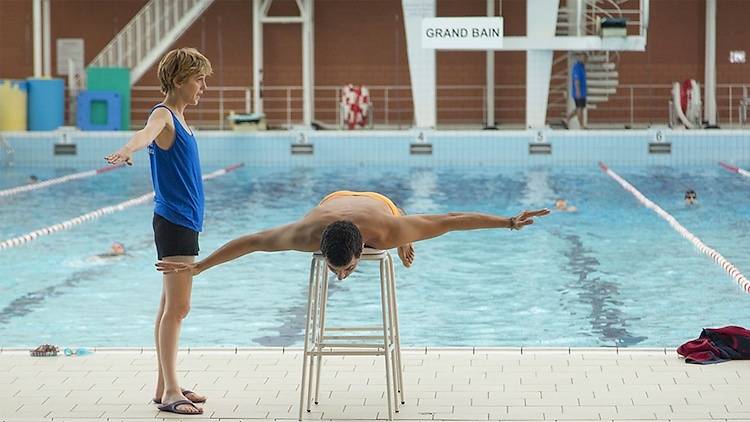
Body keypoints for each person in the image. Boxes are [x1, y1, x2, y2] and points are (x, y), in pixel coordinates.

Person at [105, 47, 212, 416]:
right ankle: (169, 391)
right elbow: (145, 133)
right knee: (179, 307)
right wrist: (126, 149)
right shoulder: (164, 116)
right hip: (175, 221)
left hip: (183, 221)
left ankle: (163, 383)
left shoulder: (180, 118)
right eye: (199, 79)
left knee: (169, 305)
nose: (203, 87)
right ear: (180, 80)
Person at [155, 190, 550, 282]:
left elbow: (450, 219)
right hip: (334, 201)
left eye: (345, 269)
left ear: (361, 249)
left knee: (406, 231)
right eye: (336, 268)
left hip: (382, 207)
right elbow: (252, 241)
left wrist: (509, 222)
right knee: (403, 235)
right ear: (320, 248)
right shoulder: (305, 235)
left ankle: (407, 235)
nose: (341, 276)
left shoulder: (387, 232)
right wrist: (201, 267)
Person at [563, 53, 587, 129]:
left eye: (586, 58)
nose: (586, 60)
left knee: (580, 109)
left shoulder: (582, 67)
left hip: (583, 92)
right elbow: (576, 80)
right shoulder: (577, 67)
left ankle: (567, 119)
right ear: (580, 58)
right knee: (579, 108)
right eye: (584, 58)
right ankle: (581, 126)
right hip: (579, 92)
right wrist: (577, 91)